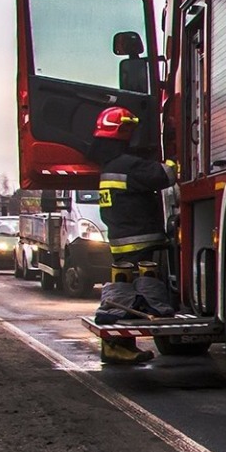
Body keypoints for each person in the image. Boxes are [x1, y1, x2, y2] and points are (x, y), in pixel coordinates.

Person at [90, 106, 175, 365]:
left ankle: (117, 347)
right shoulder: (128, 166)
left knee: (123, 292)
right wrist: (175, 160)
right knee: (140, 294)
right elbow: (166, 175)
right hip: (141, 241)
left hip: (121, 243)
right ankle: (115, 347)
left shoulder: (109, 167)